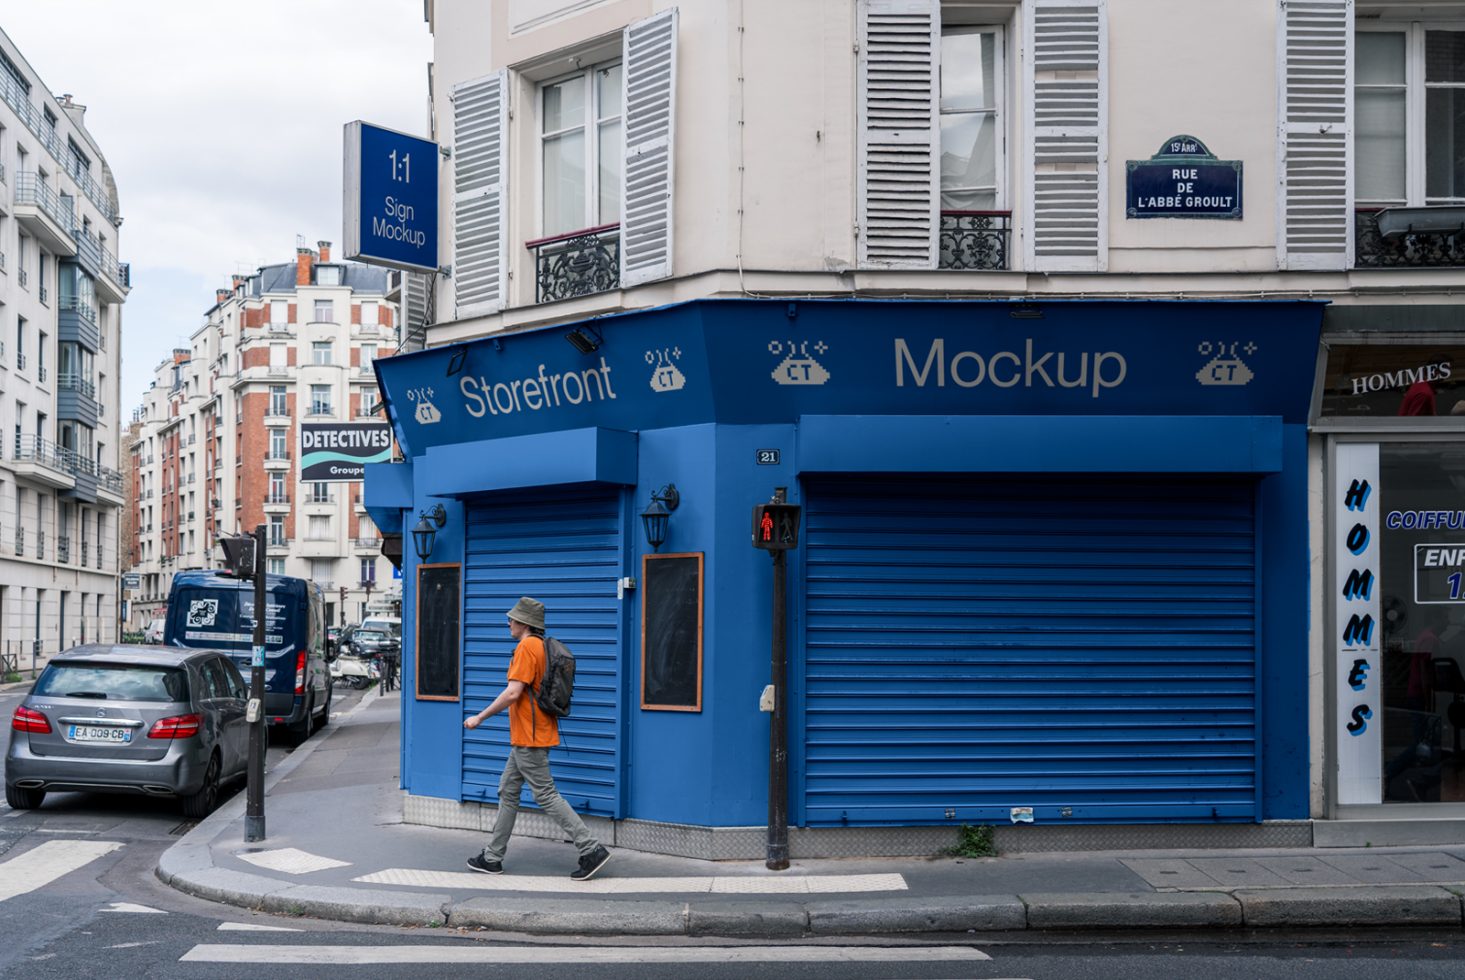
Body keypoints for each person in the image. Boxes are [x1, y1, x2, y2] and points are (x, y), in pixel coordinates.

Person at [463, 596, 611, 881]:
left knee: (545, 794)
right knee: (508, 789)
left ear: (525, 623)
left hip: (530, 738)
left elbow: (513, 693)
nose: (508, 622)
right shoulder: (540, 646)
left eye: (512, 618)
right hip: (529, 735)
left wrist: (479, 717)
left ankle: (591, 849)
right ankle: (493, 857)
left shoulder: (527, 648)